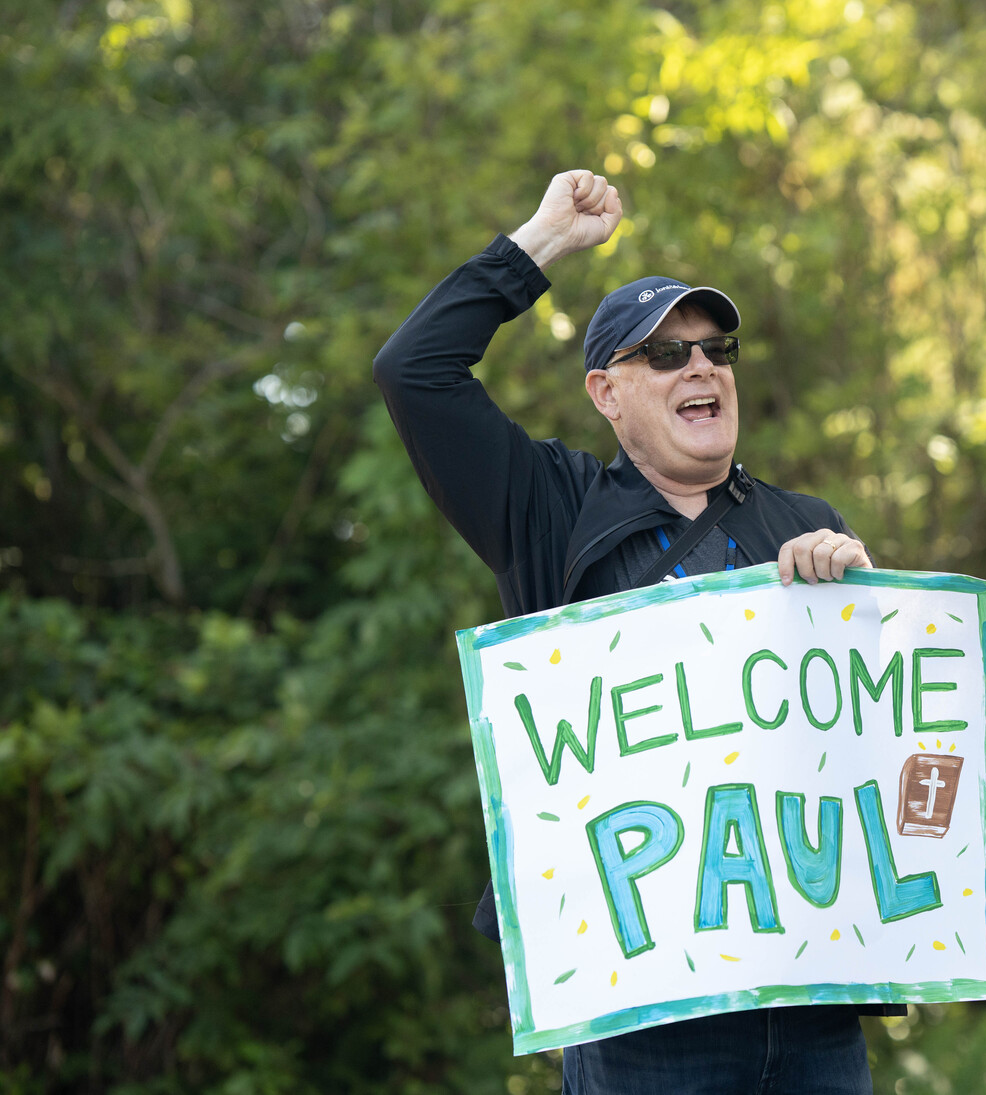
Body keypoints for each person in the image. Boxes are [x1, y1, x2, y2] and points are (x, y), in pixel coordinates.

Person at [373, 170, 888, 1094]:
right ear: (607, 393)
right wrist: (542, 243)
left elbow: (877, 745)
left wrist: (860, 595)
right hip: (647, 1018)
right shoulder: (549, 508)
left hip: (815, 1012)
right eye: (665, 354)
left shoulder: (805, 520)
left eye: (716, 349)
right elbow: (413, 371)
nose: (701, 367)